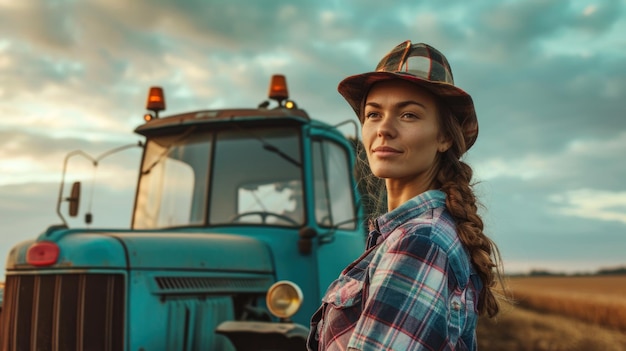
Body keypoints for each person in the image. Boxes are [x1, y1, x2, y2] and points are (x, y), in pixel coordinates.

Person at [307, 40, 505, 350]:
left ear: (443, 137)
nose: (384, 128)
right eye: (373, 114)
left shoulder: (419, 241)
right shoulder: (410, 233)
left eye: (409, 115)